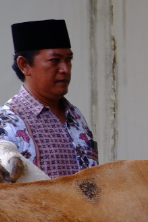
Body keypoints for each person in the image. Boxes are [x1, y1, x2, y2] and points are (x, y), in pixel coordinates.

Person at [0, 19, 98, 177]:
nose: (65, 69)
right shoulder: (7, 123)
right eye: (54, 61)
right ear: (24, 65)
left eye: (69, 60)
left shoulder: (76, 117)